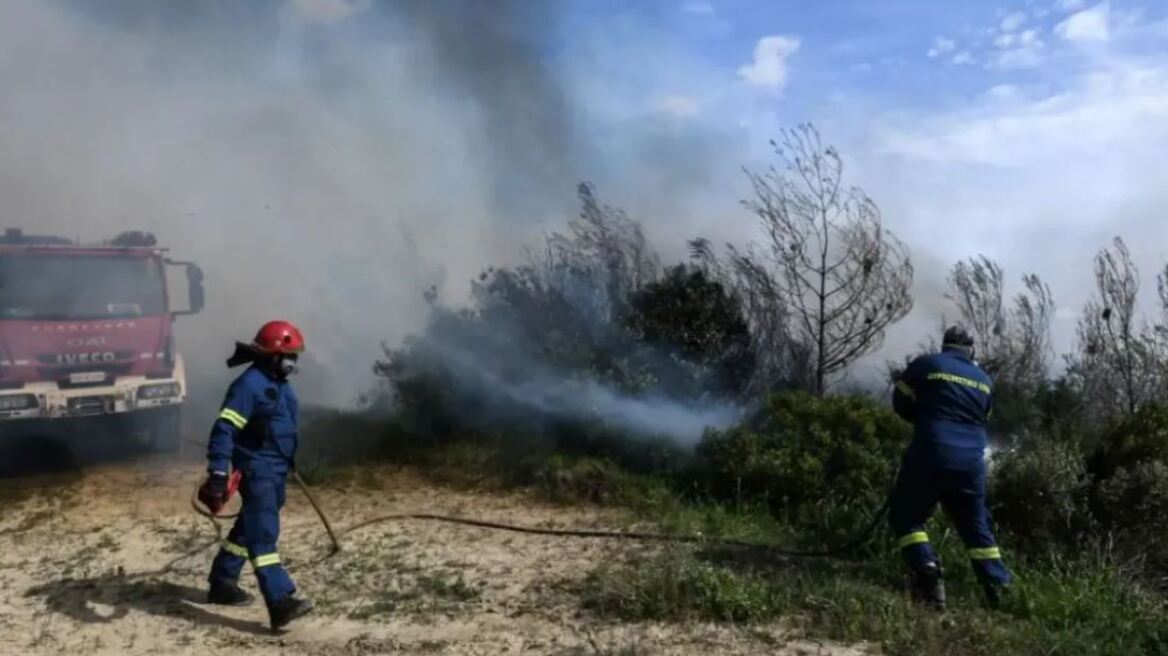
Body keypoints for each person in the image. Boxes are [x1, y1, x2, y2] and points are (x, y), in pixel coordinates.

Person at [197, 320, 314, 630]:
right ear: (270, 356)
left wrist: (288, 460)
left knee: (250, 526)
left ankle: (223, 582)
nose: (293, 362)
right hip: (257, 469)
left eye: (295, 356)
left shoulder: (279, 384)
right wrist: (219, 472)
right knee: (263, 534)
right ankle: (280, 602)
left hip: (275, 468)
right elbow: (224, 429)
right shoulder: (248, 387)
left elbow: (279, 427)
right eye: (288, 355)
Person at [889, 325, 1013, 610]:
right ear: (971, 350)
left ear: (945, 347)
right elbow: (983, 416)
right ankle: (1000, 590)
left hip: (931, 451)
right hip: (971, 462)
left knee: (906, 517)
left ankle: (927, 570)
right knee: (976, 527)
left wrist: (924, 418)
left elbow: (900, 402)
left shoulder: (926, 364)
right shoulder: (984, 380)